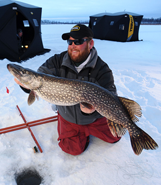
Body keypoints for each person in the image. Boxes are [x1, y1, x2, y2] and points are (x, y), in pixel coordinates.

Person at [14, 24, 121, 155]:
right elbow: (39, 75)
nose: (73, 45)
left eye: (78, 41)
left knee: (115, 136)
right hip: (68, 117)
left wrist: (91, 112)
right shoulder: (56, 62)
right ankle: (79, 134)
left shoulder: (102, 70)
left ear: (90, 43)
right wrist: (25, 85)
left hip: (95, 118)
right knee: (71, 149)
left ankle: (89, 130)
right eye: (70, 42)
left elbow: (111, 98)